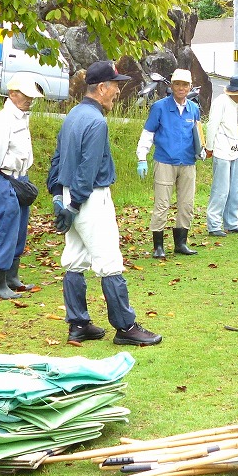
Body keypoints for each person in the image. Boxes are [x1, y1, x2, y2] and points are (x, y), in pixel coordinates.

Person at [49, 60, 162, 347]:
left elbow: (57, 158)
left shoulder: (73, 115)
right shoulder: (97, 121)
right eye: (115, 86)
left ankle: (78, 324)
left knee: (74, 259)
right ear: (101, 88)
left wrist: (59, 197)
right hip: (89, 198)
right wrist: (75, 204)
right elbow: (88, 168)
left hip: (69, 193)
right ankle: (126, 327)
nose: (117, 92)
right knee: (109, 261)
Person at [0, 72, 44, 300]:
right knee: (6, 230)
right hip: (5, 178)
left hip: (20, 179)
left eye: (32, 96)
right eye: (26, 95)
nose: (30, 100)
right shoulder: (3, 119)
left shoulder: (22, 117)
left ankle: (11, 277)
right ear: (13, 93)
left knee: (19, 230)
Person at [136, 68, 205, 259]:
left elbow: (198, 134)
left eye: (185, 85)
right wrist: (142, 157)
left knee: (187, 204)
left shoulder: (194, 109)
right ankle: (158, 246)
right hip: (165, 161)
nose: (181, 88)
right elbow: (148, 133)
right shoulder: (159, 107)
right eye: (177, 84)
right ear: (172, 86)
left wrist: (202, 149)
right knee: (162, 204)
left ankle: (181, 243)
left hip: (188, 162)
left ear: (190, 86)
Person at [205, 74, 238, 237]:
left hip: (234, 150)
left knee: (235, 189)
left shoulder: (232, 104)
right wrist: (209, 147)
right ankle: (214, 224)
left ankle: (231, 222)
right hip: (221, 151)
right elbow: (212, 125)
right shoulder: (220, 102)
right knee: (221, 189)